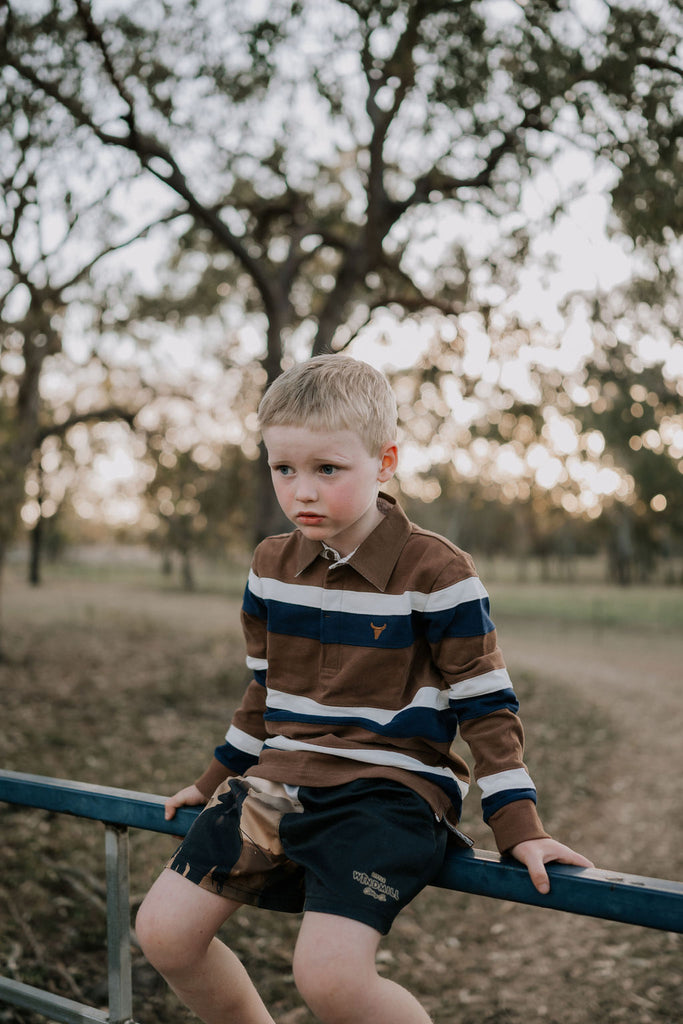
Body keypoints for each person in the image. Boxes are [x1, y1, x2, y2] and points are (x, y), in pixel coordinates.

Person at [136, 355, 593, 1024]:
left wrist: (517, 826)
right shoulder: (270, 566)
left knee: (328, 977)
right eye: (283, 469)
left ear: (384, 462)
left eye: (327, 468)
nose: (303, 492)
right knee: (164, 932)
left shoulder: (437, 570)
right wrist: (211, 781)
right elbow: (264, 694)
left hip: (385, 792)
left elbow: (486, 703)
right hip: (276, 782)